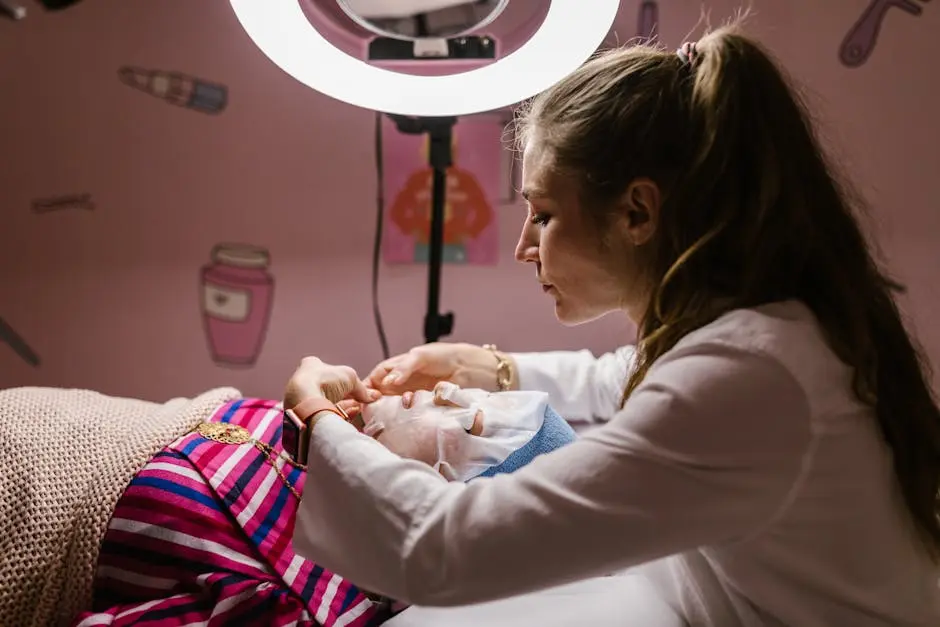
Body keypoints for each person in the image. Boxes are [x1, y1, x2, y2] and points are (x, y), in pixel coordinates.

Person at [283, 23, 940, 627]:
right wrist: (487, 367)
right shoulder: (766, 330)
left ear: (636, 212)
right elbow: (622, 379)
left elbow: (447, 545)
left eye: (542, 213)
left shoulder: (748, 376)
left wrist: (316, 424)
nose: (523, 246)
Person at [0, 383, 572, 627]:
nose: (449, 390)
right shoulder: (338, 448)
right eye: (483, 396)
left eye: (471, 422)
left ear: (451, 499)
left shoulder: (307, 596)